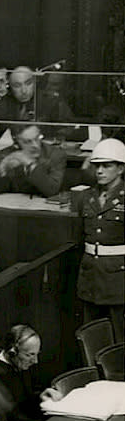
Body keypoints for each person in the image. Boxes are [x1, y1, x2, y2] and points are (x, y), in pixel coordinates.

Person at [74, 138, 125, 338]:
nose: (100, 171)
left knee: (118, 338)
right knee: (91, 336)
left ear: (120, 169)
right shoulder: (87, 197)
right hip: (90, 278)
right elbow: (79, 237)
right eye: (97, 166)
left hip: (118, 280)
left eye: (107, 166)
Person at [0, 324, 62, 421]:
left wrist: (40, 397)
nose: (35, 361)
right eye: (29, 355)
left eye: (36, 354)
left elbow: (24, 401)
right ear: (12, 352)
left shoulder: (18, 363)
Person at [0, 122, 67, 197]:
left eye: (37, 138)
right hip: (14, 206)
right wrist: (3, 168)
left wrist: (30, 164)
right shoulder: (7, 154)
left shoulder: (55, 155)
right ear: (17, 144)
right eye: (28, 142)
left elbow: (51, 190)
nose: (35, 145)